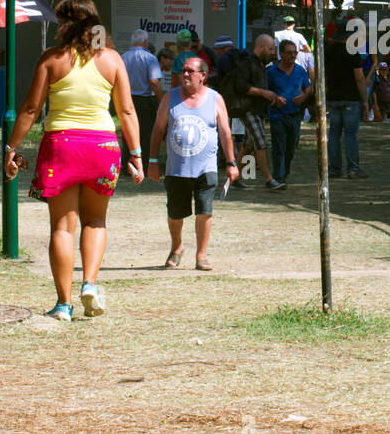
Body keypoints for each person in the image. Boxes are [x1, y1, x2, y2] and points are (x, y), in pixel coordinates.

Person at [3, 0, 145, 322]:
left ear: (64, 24)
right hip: (102, 148)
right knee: (95, 221)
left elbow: (29, 109)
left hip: (62, 146)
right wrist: (136, 155)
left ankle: (63, 305)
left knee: (62, 228)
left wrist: (12, 148)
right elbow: (126, 111)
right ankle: (90, 284)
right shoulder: (111, 60)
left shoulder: (51, 59)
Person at [148, 55, 240, 271]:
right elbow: (158, 130)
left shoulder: (215, 99)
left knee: (204, 210)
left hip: (205, 167)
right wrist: (153, 161)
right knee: (175, 213)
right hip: (176, 168)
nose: (185, 74)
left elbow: (226, 133)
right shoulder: (169, 99)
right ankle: (177, 247)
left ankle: (201, 255)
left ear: (203, 76)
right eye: (183, 71)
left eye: (190, 71)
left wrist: (231, 162)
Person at [219, 33, 283, 190]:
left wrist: (271, 97)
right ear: (260, 47)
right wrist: (263, 93)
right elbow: (241, 87)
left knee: (249, 146)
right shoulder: (247, 64)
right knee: (261, 143)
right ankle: (269, 180)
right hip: (248, 109)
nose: (273, 53)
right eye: (270, 49)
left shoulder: (261, 65)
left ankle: (233, 179)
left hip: (258, 110)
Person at [324, 22, 368, 178]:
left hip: (333, 98)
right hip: (350, 98)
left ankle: (334, 169)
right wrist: (365, 100)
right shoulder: (352, 53)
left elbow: (324, 76)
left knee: (334, 133)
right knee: (350, 134)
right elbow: (360, 78)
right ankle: (353, 169)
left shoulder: (327, 51)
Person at [266, 38, 312, 184]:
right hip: (277, 115)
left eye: (295, 53)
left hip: (295, 115)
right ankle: (278, 177)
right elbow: (265, 92)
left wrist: (304, 96)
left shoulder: (300, 70)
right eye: (289, 53)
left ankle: (284, 173)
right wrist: (275, 99)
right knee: (279, 146)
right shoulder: (271, 72)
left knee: (291, 147)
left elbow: (308, 87)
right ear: (281, 54)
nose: (293, 56)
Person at [121, 29, 164, 166]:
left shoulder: (123, 57)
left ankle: (128, 164)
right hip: (145, 101)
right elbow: (154, 82)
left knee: (127, 132)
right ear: (145, 42)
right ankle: (143, 164)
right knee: (145, 134)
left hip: (127, 99)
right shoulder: (150, 58)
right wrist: (162, 101)